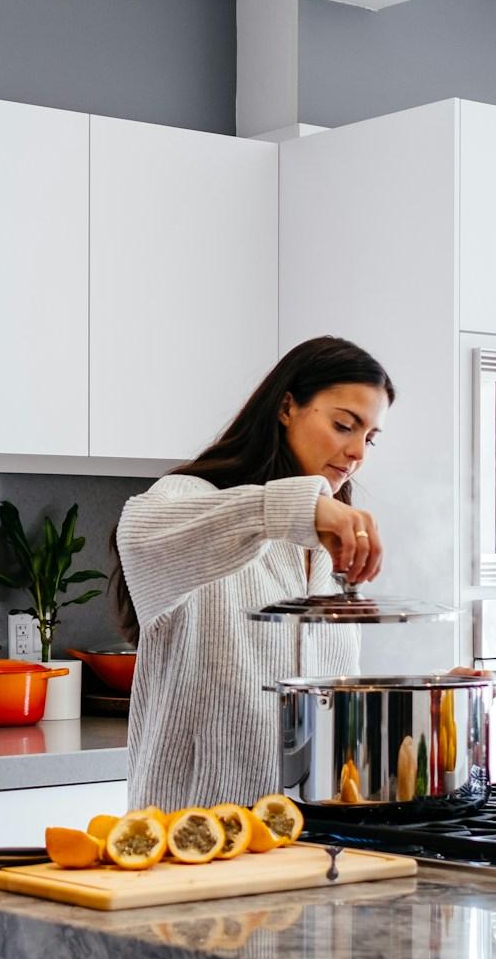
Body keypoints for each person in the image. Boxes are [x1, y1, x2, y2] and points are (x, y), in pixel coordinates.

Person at [110, 335, 393, 812]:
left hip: (311, 840)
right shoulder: (187, 497)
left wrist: (429, 701)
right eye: (345, 425)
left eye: (369, 437)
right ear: (287, 407)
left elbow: (326, 710)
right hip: (195, 843)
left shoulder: (326, 552)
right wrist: (297, 508)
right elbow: (138, 532)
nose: (358, 452)